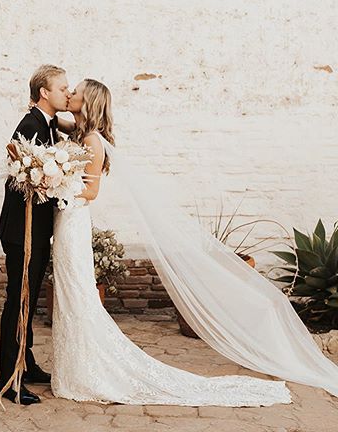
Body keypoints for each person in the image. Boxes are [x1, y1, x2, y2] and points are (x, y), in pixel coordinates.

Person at [50, 78, 294, 405]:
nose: (70, 94)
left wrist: (51, 185)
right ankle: (74, 367)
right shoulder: (80, 133)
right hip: (67, 220)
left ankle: (88, 370)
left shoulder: (93, 141)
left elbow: (91, 192)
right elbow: (57, 122)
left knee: (79, 292)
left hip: (75, 217)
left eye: (75, 92)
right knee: (71, 292)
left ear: (88, 101)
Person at [0, 64, 70, 405]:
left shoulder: (49, 125)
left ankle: (25, 365)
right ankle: (9, 380)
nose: (66, 93)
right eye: (62, 88)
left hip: (37, 229)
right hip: (21, 231)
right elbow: (20, 178)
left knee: (30, 297)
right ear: (44, 91)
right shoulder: (30, 126)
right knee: (19, 301)